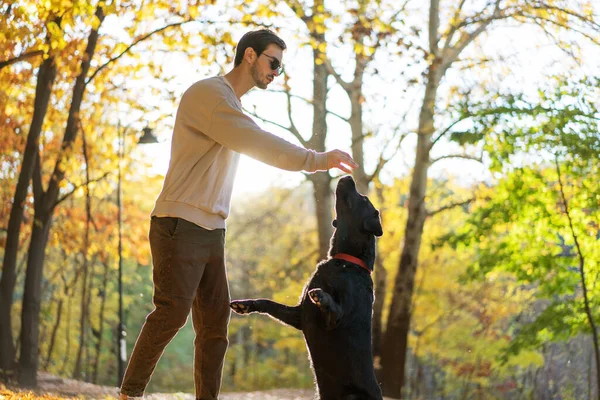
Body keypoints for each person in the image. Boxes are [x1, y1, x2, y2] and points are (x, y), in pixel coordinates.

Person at [118, 28, 357, 400]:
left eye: (280, 66)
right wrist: (317, 160)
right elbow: (260, 143)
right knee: (171, 314)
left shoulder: (230, 105)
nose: (276, 72)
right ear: (249, 55)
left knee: (215, 328)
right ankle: (129, 395)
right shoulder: (211, 96)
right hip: (180, 225)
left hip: (212, 230)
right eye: (272, 62)